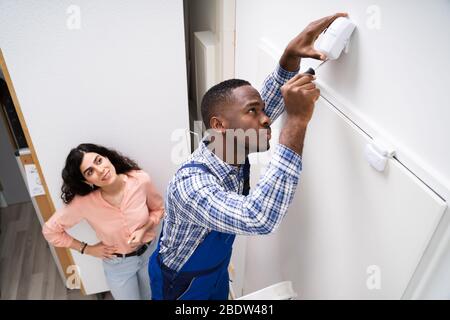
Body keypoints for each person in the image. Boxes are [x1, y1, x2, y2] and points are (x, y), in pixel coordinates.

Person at [148, 13, 348, 300]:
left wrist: (289, 57)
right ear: (220, 124)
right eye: (253, 111)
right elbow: (258, 217)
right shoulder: (191, 186)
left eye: (262, 110)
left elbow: (265, 103)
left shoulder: (229, 144)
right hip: (181, 286)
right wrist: (296, 123)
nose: (267, 119)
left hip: (214, 273)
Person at [42, 143, 164, 300]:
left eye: (98, 161)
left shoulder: (140, 179)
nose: (100, 171)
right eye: (90, 171)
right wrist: (86, 249)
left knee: (152, 296)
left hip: (149, 254)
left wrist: (144, 229)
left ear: (107, 157)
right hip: (119, 265)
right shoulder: (83, 203)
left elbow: (158, 210)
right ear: (86, 181)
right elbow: (50, 230)